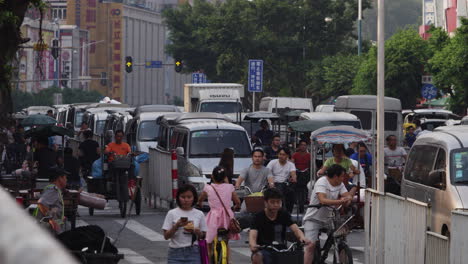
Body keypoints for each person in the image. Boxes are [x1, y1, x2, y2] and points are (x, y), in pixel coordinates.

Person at [303, 164, 353, 264]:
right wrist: (341, 201)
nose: (343, 178)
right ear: (335, 176)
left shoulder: (340, 183)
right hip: (313, 218)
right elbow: (323, 200)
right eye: (342, 176)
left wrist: (347, 200)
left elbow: (348, 196)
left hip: (329, 218)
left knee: (340, 239)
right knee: (310, 246)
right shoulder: (322, 182)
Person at [250, 188, 311, 264]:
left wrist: (302, 238)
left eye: (278, 202)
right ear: (265, 202)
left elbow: (296, 229)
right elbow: (252, 236)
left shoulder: (284, 214)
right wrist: (253, 245)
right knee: (257, 257)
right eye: (272, 202)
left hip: (281, 249)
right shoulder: (258, 217)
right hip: (264, 250)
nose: (276, 205)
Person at [197, 166, 241, 261]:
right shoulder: (230, 187)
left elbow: (200, 200)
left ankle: (208, 259)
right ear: (225, 177)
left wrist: (199, 204)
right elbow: (238, 202)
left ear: (212, 176)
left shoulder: (208, 188)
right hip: (227, 218)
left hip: (214, 218)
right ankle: (226, 261)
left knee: (208, 242)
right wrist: (234, 208)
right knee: (226, 241)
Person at [163, 184, 207, 264]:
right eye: (183, 197)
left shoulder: (199, 214)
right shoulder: (172, 213)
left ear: (194, 198)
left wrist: (198, 232)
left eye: (189, 197)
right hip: (175, 253)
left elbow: (204, 236)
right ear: (178, 198)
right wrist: (176, 226)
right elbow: (166, 236)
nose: (186, 200)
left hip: (193, 252)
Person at [35, 167, 69, 234]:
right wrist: (51, 220)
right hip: (48, 230)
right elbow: (41, 203)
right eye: (65, 177)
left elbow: (51, 207)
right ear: (60, 178)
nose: (66, 180)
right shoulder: (53, 190)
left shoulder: (52, 188)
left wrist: (59, 216)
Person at [104, 130, 134, 203]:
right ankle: (111, 179)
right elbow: (106, 151)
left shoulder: (126, 145)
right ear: (115, 137)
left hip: (124, 164)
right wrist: (108, 152)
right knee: (109, 166)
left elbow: (130, 152)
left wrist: (131, 154)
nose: (119, 138)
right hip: (114, 164)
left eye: (121, 136)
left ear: (123, 137)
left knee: (132, 166)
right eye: (118, 136)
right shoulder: (111, 145)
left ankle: (130, 181)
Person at [266, 147, 297, 213]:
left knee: (291, 192)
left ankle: (288, 212)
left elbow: (293, 174)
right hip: (273, 184)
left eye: (283, 154)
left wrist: (293, 178)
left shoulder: (291, 164)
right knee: (279, 190)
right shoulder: (272, 162)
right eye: (280, 154)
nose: (281, 156)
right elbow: (268, 174)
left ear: (287, 156)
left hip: (285, 184)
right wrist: (271, 183)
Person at [291, 140, 311, 214]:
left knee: (306, 188)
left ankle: (305, 200)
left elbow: (312, 165)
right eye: (302, 145)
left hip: (306, 173)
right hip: (297, 173)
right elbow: (292, 164)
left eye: (304, 145)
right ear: (299, 146)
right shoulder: (295, 155)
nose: (303, 146)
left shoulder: (309, 155)